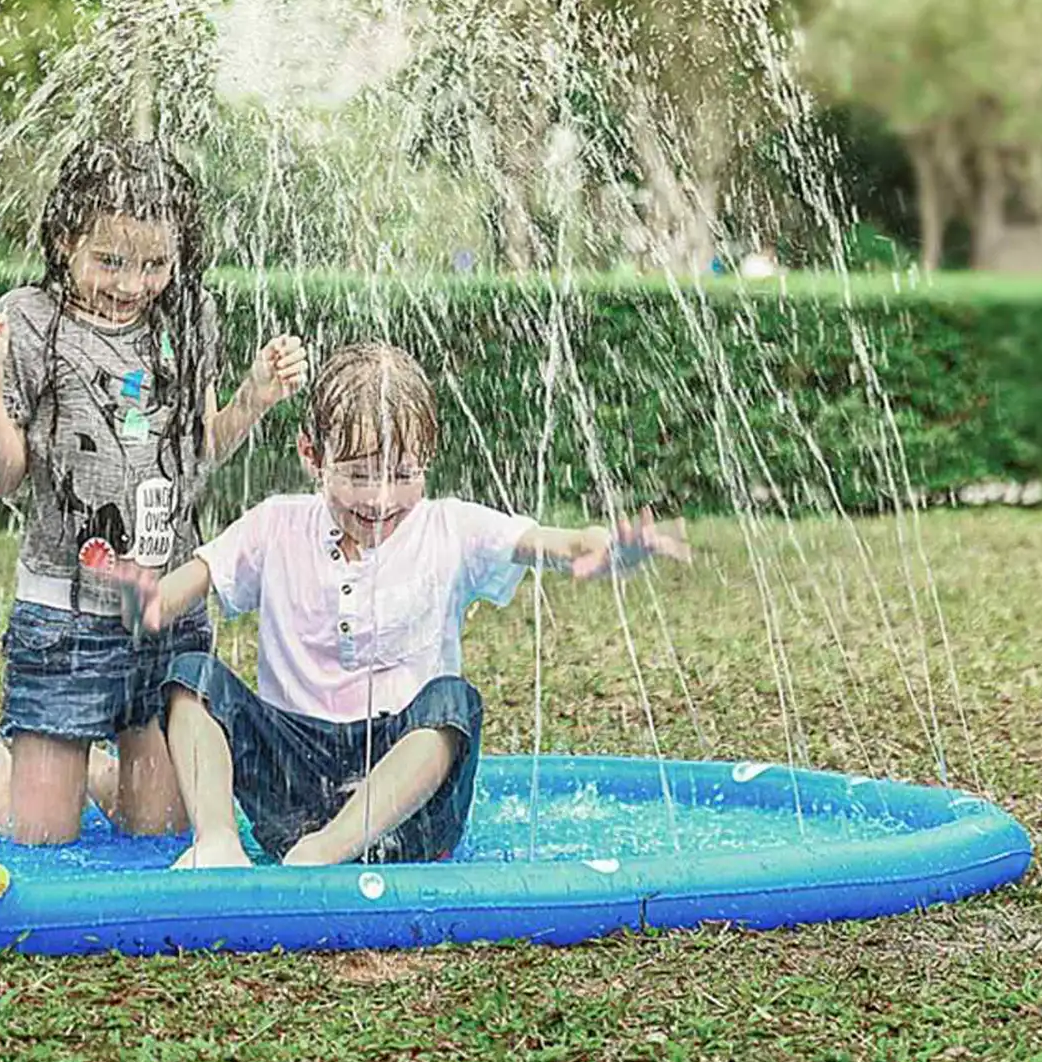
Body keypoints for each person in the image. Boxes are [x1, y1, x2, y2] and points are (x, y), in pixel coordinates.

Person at [103, 341, 690, 869]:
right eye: (357, 475)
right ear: (312, 455)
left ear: (429, 458)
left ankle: (327, 851)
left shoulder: (451, 527)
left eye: (403, 475)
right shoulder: (276, 524)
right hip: (292, 782)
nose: (381, 499)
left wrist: (605, 549)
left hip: (408, 811)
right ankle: (218, 843)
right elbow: (180, 590)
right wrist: (147, 602)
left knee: (451, 704)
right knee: (191, 678)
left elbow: (555, 543)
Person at [0, 138, 307, 845]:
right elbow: (3, 476)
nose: (133, 284)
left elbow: (196, 450)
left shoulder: (188, 318)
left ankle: (81, 776)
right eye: (110, 261)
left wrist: (254, 399)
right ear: (63, 240)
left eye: (156, 264)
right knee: (40, 838)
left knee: (161, 830)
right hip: (65, 615)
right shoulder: (28, 322)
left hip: (166, 611)